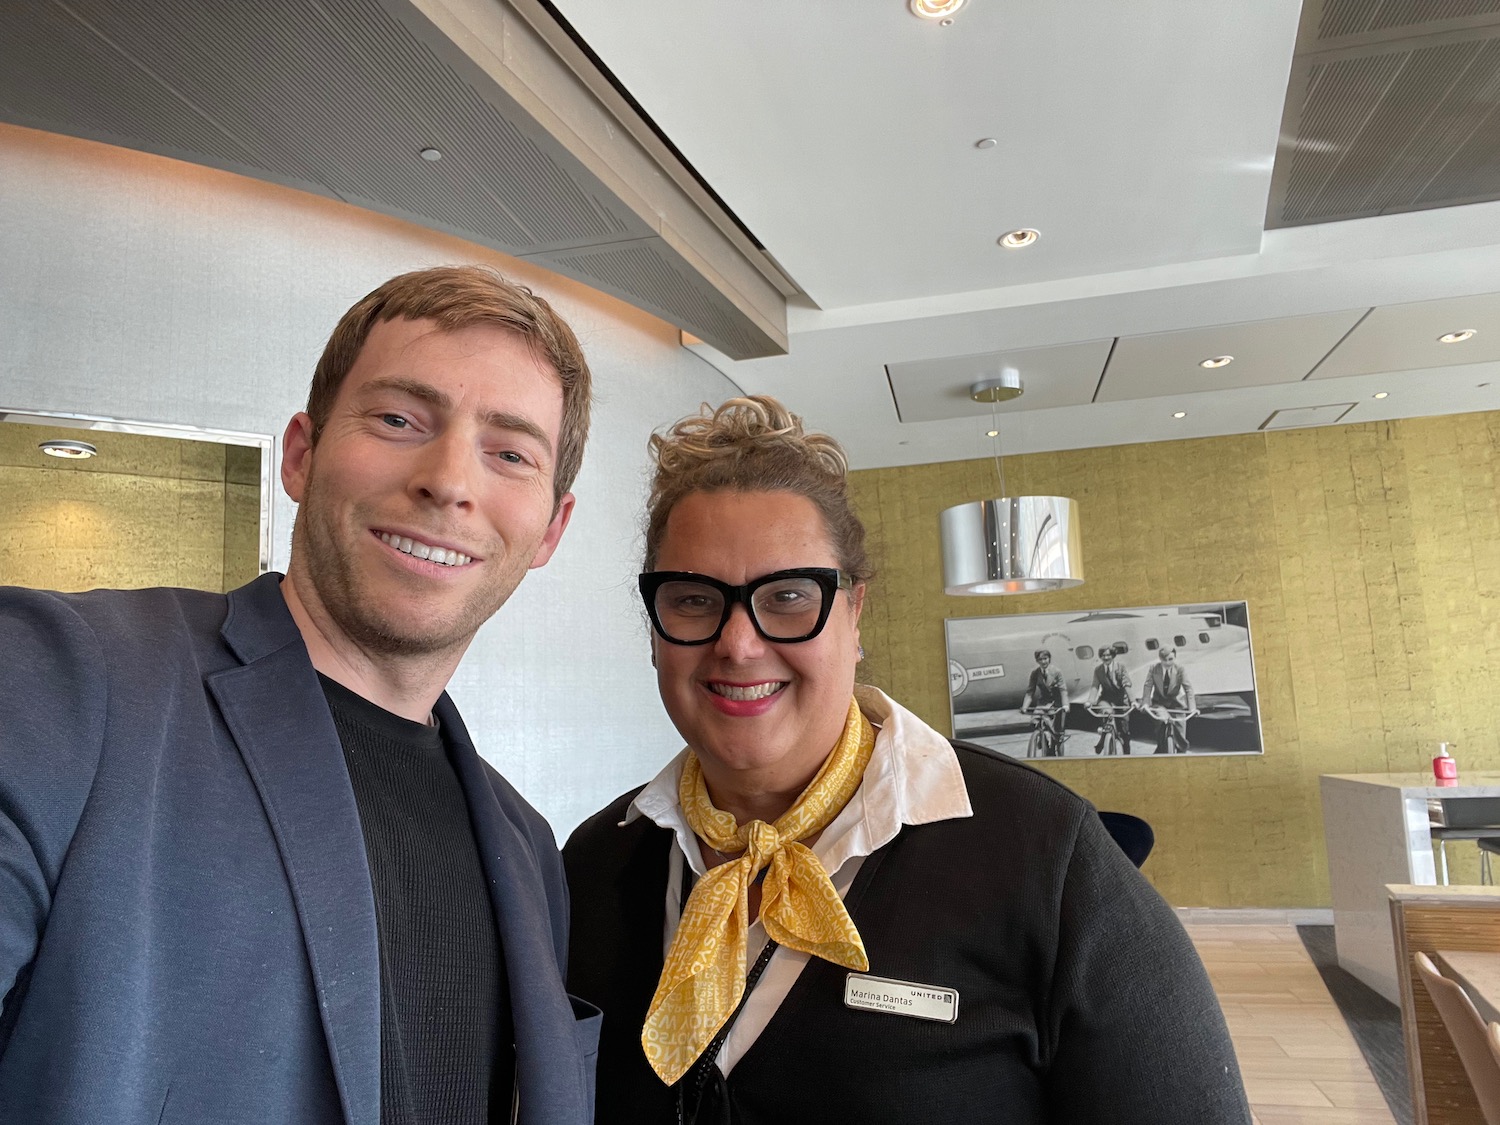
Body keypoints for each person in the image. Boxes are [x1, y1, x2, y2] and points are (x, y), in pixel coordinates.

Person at [0, 266, 601, 1125]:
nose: (448, 480)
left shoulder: (532, 850)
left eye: (509, 453)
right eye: (400, 419)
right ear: (301, 453)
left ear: (550, 528)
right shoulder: (63, 680)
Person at [563, 396, 1249, 1124]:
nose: (738, 642)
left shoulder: (1048, 859)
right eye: (695, 599)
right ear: (655, 627)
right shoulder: (593, 864)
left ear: (855, 614)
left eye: (790, 595)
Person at [1140, 644, 1197, 754]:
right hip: (1159, 704)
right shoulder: (1154, 669)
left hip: (1177, 705)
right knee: (1161, 722)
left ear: (1174, 658)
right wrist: (1146, 703)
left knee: (1181, 738)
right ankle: (1161, 748)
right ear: (1160, 659)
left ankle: (1180, 755)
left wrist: (1192, 708)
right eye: (1164, 660)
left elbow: (1188, 688)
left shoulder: (1180, 669)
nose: (1167, 662)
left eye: (1170, 659)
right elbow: (1148, 686)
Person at [1020, 647, 1069, 754]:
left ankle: (1055, 741)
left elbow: (1063, 689)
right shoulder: (1035, 673)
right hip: (1043, 702)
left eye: (1045, 658)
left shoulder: (1057, 672)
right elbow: (1030, 691)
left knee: (1057, 730)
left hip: (1056, 702)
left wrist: (1065, 705)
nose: (1043, 662)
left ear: (1049, 659)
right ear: (1037, 661)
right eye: (1040, 659)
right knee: (1035, 720)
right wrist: (1025, 706)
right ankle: (1041, 737)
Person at [1088, 644, 1133, 754]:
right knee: (1107, 715)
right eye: (1103, 655)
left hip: (1121, 700)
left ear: (1113, 655)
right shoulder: (1098, 670)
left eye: (1108, 655)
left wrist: (1133, 701)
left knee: (1124, 731)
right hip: (1106, 699)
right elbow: (1095, 686)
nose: (1106, 658)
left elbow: (1126, 684)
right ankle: (1105, 738)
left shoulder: (1121, 667)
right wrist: (1090, 701)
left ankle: (1127, 754)